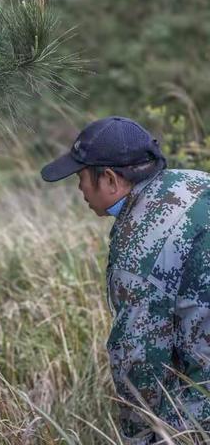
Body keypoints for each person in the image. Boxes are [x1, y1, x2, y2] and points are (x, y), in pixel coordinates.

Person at [40, 116, 210, 444]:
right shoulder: (197, 182)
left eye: (81, 177)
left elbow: (138, 356)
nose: (79, 188)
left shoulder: (141, 241)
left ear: (109, 179)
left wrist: (141, 436)